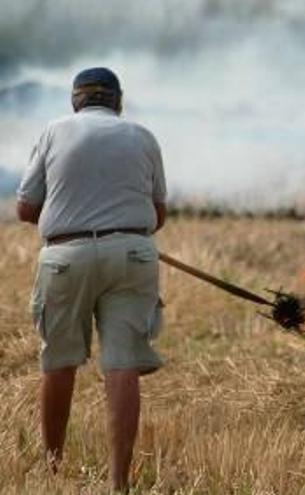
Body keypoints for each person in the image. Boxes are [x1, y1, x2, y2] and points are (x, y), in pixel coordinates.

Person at [16, 67, 167, 491]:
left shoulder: (53, 132)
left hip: (67, 255)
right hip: (133, 254)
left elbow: (26, 209)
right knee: (122, 366)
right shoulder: (142, 136)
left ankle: (52, 471)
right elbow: (158, 215)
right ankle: (119, 482)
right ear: (118, 101)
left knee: (60, 361)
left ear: (75, 101)